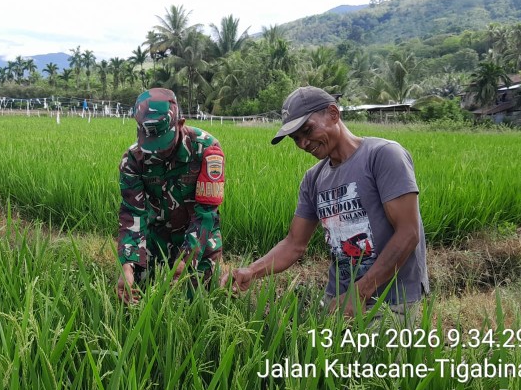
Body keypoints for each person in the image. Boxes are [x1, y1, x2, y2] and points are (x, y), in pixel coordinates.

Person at [223, 86, 428, 318]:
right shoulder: (314, 178)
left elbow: (408, 233)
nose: (303, 144)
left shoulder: (383, 156)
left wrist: (360, 293)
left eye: (307, 131)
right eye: (296, 139)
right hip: (339, 299)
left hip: (389, 301)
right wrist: (252, 270)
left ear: (333, 113)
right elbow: (293, 244)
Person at [116, 88, 225, 303]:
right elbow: (132, 214)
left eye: (163, 143)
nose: (157, 152)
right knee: (136, 292)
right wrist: (127, 264)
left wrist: (186, 258)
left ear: (180, 124)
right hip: (157, 233)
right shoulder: (132, 160)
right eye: (151, 144)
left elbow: (205, 213)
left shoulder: (207, 149)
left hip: (198, 233)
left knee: (199, 296)